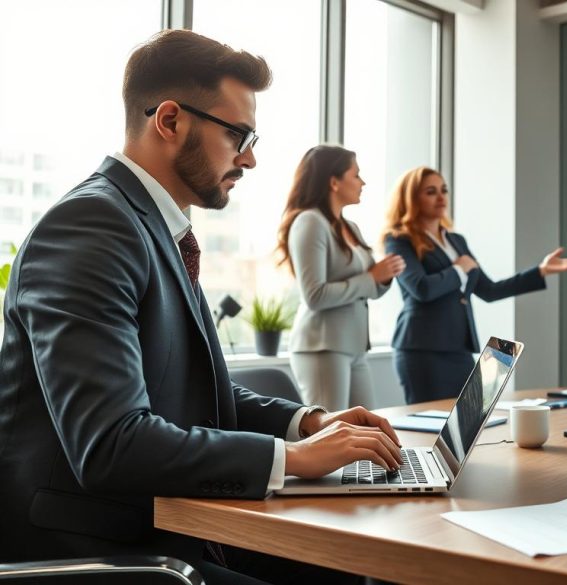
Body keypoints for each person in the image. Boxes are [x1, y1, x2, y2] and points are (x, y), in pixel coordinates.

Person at [0, 30, 403, 585]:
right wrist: (297, 460)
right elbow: (112, 445)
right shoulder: (91, 227)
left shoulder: (149, 226)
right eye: (238, 134)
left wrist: (307, 422)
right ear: (169, 121)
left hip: (166, 527)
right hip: (98, 549)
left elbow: (188, 389)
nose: (252, 158)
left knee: (356, 567)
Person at [383, 166, 567, 404]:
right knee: (429, 423)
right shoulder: (399, 240)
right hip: (422, 348)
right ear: (411, 198)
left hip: (459, 348)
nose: (441, 197)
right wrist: (459, 269)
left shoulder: (455, 240)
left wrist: (541, 271)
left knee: (467, 419)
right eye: (431, 191)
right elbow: (421, 288)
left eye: (444, 190)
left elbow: (490, 290)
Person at [277, 145, 405, 411]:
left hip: (354, 345)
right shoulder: (310, 222)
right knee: (331, 436)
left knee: (369, 431)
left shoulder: (350, 227)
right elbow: (314, 296)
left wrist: (383, 276)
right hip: (322, 346)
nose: (363, 182)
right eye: (356, 175)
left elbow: (368, 286)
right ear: (334, 182)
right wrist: (371, 278)